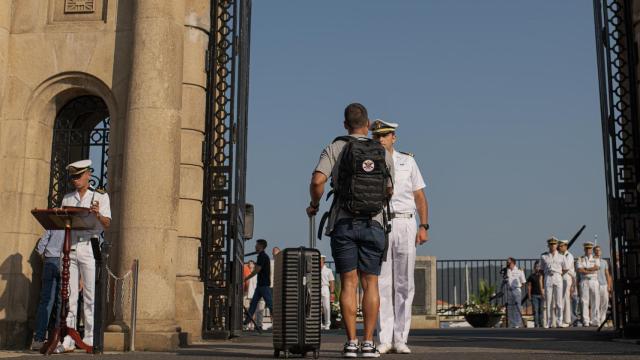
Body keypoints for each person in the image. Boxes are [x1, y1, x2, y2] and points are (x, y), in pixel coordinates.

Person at [307, 103, 394, 358]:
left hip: (344, 223)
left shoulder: (335, 147)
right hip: (374, 223)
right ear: (368, 126)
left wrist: (314, 204)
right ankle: (369, 343)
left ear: (345, 125)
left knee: (348, 283)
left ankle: (351, 343)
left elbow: (317, 181)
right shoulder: (382, 151)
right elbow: (390, 190)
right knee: (371, 284)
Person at [370, 120, 428, 354]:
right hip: (381, 221)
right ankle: (384, 338)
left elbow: (419, 196)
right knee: (382, 282)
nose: (381, 140)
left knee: (405, 283)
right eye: (377, 136)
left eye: (384, 135)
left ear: (393, 137)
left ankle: (401, 338)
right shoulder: (370, 163)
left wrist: (424, 226)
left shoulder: (408, 161)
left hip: (405, 221)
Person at [57, 160, 111, 353]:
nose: (75, 180)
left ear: (88, 174)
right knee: (69, 295)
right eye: (73, 177)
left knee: (89, 294)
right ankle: (69, 338)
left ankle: (89, 337)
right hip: (70, 247)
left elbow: (107, 223)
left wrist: (97, 215)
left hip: (89, 245)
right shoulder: (68, 198)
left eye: (78, 176)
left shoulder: (99, 196)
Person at [31, 230, 65, 350]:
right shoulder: (72, 222)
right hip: (64, 261)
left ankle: (38, 339)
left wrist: (46, 259)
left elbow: (40, 246)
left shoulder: (53, 223)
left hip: (50, 260)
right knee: (61, 302)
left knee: (46, 301)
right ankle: (57, 339)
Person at [244, 239, 273, 326]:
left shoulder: (262, 256)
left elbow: (257, 270)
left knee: (270, 304)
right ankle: (247, 321)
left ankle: (279, 320)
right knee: (253, 303)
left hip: (263, 285)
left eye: (256, 245)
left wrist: (246, 278)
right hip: (260, 285)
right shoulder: (262, 256)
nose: (255, 246)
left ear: (260, 246)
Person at [540, 237, 568, 328]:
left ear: (557, 245)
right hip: (548, 277)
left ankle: (559, 321)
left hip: (557, 276)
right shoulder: (544, 256)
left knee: (559, 301)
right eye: (551, 244)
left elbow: (566, 268)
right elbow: (541, 269)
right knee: (548, 301)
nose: (552, 246)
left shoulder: (561, 256)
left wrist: (559, 274)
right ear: (548, 245)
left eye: (554, 244)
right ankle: (549, 322)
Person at [577, 242, 600, 327]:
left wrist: (586, 269)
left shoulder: (596, 258)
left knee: (595, 301)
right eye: (586, 249)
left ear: (591, 250)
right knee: (584, 301)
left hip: (594, 280)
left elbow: (596, 268)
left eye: (590, 249)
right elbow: (579, 270)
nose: (588, 250)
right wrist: (590, 270)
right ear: (584, 249)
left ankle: (595, 320)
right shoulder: (580, 259)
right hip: (584, 281)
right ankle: (586, 320)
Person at [558, 240, 576, 327]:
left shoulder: (569, 255)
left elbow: (567, 267)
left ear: (565, 246)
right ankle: (563, 318)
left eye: (561, 246)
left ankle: (567, 319)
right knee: (561, 299)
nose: (559, 247)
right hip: (561, 277)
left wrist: (557, 271)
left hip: (566, 276)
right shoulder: (560, 255)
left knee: (565, 298)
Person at [505, 257, 526, 328]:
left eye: (509, 262)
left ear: (513, 263)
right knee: (510, 307)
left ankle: (517, 323)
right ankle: (512, 323)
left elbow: (523, 282)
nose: (507, 264)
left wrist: (518, 288)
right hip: (509, 290)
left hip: (516, 290)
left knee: (517, 307)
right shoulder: (507, 271)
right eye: (507, 262)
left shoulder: (519, 271)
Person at [594, 245, 612, 326]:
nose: (598, 252)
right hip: (596, 284)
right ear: (594, 251)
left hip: (604, 284)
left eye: (599, 250)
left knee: (605, 302)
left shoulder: (604, 262)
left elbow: (607, 274)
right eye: (596, 250)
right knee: (597, 303)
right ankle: (597, 320)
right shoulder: (592, 261)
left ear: (601, 252)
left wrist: (609, 285)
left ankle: (603, 319)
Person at [527, 261, 544, 328]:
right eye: (536, 266)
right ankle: (536, 324)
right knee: (535, 310)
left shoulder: (543, 276)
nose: (538, 268)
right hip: (534, 295)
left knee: (541, 310)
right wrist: (529, 295)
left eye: (539, 266)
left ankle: (541, 323)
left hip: (542, 295)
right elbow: (529, 286)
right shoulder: (531, 276)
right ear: (534, 267)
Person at [321, 255, 336, 330]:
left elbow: (332, 281)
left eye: (320, 260)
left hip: (325, 288)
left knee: (327, 307)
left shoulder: (328, 270)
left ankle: (327, 324)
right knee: (317, 307)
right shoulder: (314, 269)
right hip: (316, 288)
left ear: (323, 260)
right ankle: (319, 323)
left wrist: (332, 292)